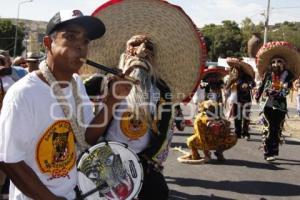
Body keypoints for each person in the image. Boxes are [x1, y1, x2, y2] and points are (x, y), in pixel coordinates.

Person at [0, 9, 132, 200]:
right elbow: (8, 159)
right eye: (70, 37)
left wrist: (112, 101)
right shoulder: (24, 94)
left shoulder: (76, 84)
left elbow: (87, 137)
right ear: (48, 43)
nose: (80, 47)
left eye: (85, 41)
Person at [255, 41, 299, 162]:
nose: (276, 64)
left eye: (279, 61)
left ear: (284, 64)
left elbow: (286, 91)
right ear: (270, 64)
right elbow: (261, 88)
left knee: (276, 129)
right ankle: (267, 152)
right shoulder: (267, 75)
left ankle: (273, 151)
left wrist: (277, 92)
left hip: (280, 106)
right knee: (268, 128)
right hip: (267, 105)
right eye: (274, 62)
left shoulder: (288, 75)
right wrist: (258, 95)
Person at [225, 58, 255, 139]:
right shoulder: (231, 77)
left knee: (246, 116)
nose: (235, 70)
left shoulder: (246, 76)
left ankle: (245, 133)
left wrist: (248, 86)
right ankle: (237, 132)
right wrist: (230, 82)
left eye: (236, 68)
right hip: (235, 100)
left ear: (240, 68)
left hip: (245, 99)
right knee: (237, 116)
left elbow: (253, 84)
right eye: (233, 68)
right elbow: (226, 88)